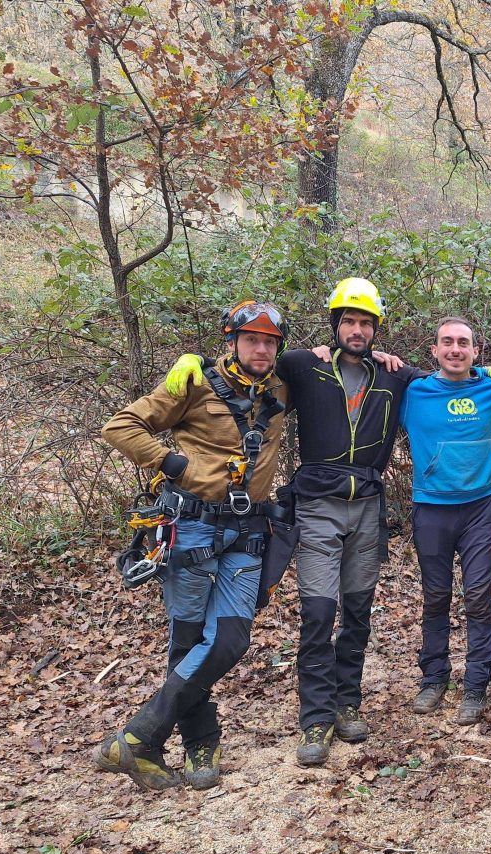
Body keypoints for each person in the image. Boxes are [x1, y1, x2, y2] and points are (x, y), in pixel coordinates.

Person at [165, 279, 432, 767]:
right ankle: (316, 716)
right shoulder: (303, 365)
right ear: (335, 325)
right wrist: (192, 363)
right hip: (315, 506)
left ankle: (347, 701)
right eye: (348, 321)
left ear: (375, 329)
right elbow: (245, 366)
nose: (356, 330)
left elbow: (453, 380)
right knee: (317, 613)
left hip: (368, 507)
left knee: (357, 611)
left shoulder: (394, 376)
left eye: (365, 323)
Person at [96, 301, 290, 791]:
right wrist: (170, 463)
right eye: (252, 340)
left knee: (228, 639)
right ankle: (200, 740)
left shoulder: (283, 387)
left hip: (247, 533)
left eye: (270, 341)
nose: (261, 349)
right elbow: (119, 426)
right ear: (233, 342)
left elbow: (327, 365)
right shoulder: (194, 383)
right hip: (192, 528)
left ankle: (138, 738)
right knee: (187, 641)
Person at [402, 317, 491, 726]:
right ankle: (433, 679)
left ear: (476, 351)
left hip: (480, 509)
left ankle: (475, 686)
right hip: (432, 507)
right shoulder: (413, 391)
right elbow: (368, 372)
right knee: (435, 597)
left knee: (478, 597)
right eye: (447, 342)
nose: (455, 349)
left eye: (463, 343)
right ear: (433, 350)